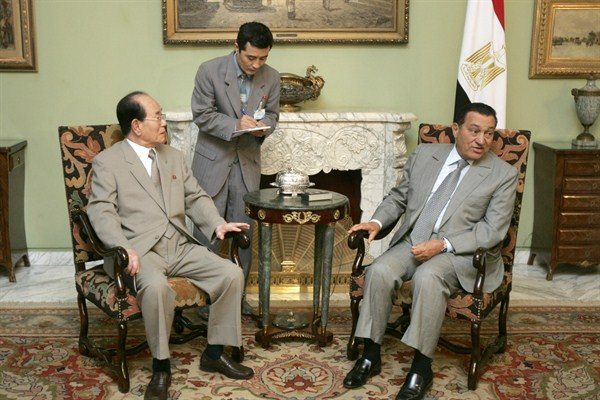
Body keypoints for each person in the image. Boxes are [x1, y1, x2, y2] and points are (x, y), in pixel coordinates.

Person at [343, 103, 518, 400]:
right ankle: (371, 355)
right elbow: (399, 198)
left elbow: (492, 230)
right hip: (416, 238)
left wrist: (444, 244)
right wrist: (375, 221)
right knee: (380, 271)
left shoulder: (502, 174)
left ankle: (421, 367)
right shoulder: (425, 155)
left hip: (459, 252)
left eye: (489, 133)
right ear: (456, 129)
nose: (481, 140)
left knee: (428, 277)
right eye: (474, 130)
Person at [88, 92, 254, 400]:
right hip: (139, 250)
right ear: (136, 125)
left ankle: (215, 351)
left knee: (231, 274)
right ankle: (161, 365)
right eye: (158, 116)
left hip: (178, 244)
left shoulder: (173, 156)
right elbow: (101, 211)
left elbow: (194, 197)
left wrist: (216, 223)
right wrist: (124, 247)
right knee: (158, 289)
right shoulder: (108, 162)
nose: (165, 122)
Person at [190, 22, 280, 315]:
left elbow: (273, 115)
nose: (257, 64)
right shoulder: (209, 70)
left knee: (245, 237)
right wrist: (234, 125)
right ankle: (203, 303)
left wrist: (263, 129)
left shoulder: (273, 78)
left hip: (247, 166)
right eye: (250, 57)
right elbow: (202, 115)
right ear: (236, 47)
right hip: (212, 163)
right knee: (208, 237)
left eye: (263, 58)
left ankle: (236, 302)